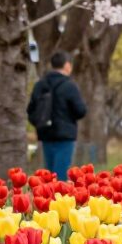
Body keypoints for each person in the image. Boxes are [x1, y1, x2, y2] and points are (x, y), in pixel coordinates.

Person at [28, 51, 87, 179]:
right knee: (60, 173)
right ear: (66, 65)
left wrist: (39, 123)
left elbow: (31, 110)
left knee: (49, 172)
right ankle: (58, 198)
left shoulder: (40, 85)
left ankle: (47, 197)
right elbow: (81, 111)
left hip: (45, 134)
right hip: (65, 135)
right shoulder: (70, 86)